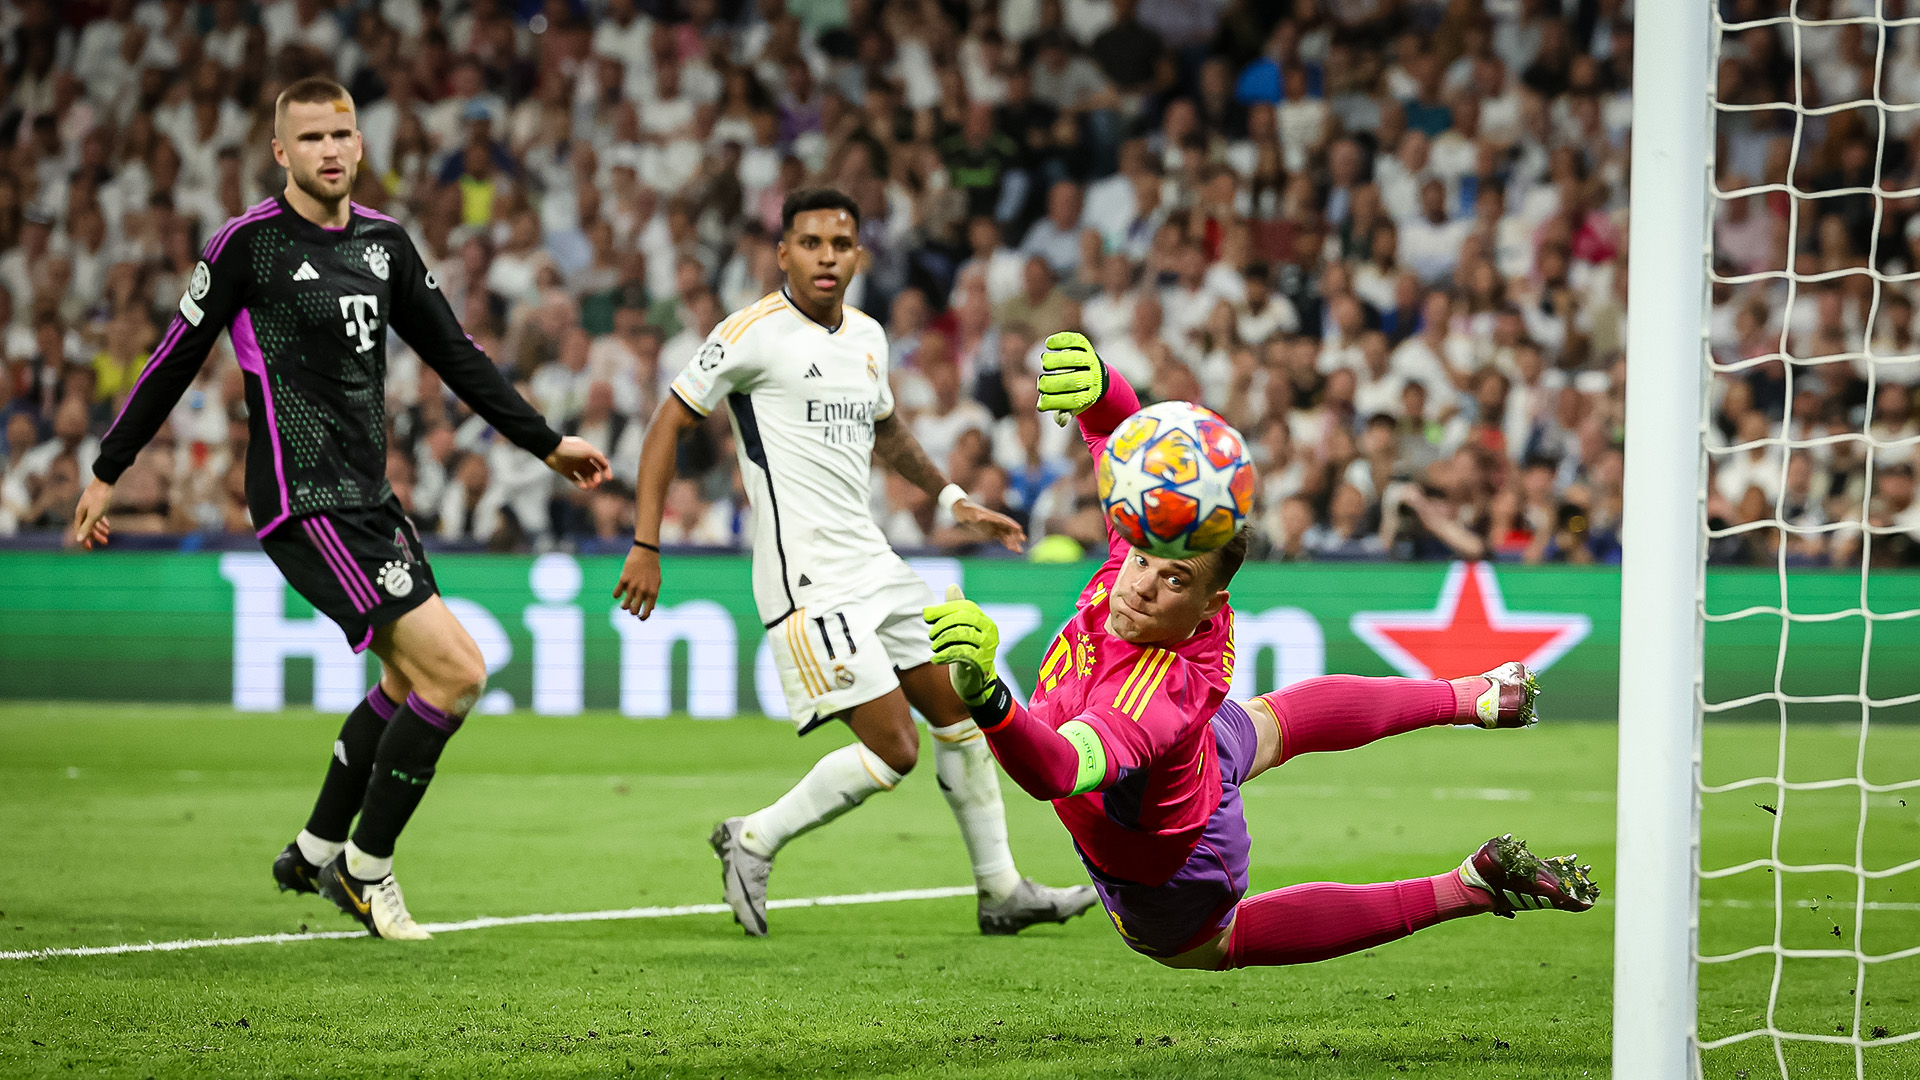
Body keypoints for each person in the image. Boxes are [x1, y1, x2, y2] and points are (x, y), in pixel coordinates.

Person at [71, 77, 612, 941]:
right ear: (281, 152)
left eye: (343, 134)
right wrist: (109, 467)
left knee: (409, 681)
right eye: (312, 137)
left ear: (361, 146)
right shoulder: (247, 246)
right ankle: (368, 871)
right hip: (301, 497)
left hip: (370, 498)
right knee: (460, 673)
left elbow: (456, 353)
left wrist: (544, 443)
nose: (330, 150)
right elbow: (175, 355)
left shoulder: (386, 246)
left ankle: (316, 848)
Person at [921, 331, 1598, 970]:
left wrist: (989, 699)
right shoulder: (1159, 565)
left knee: (1210, 946)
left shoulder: (1147, 697)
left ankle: (1466, 888)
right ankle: (1473, 696)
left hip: (1175, 857)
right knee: (1272, 726)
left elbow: (1061, 770)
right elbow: (1113, 439)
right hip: (1198, 753)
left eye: (1174, 578)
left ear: (1206, 605)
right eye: (1145, 560)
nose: (1145, 584)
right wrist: (1103, 387)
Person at [613, 188, 1097, 937]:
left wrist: (952, 498)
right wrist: (646, 543)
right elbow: (667, 423)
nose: (827, 257)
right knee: (895, 748)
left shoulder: (868, 336)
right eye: (810, 243)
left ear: (859, 254)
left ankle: (1001, 890)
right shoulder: (751, 335)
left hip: (877, 564)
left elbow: (890, 429)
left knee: (962, 713)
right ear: (783, 255)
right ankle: (753, 839)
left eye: (840, 244)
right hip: (809, 582)